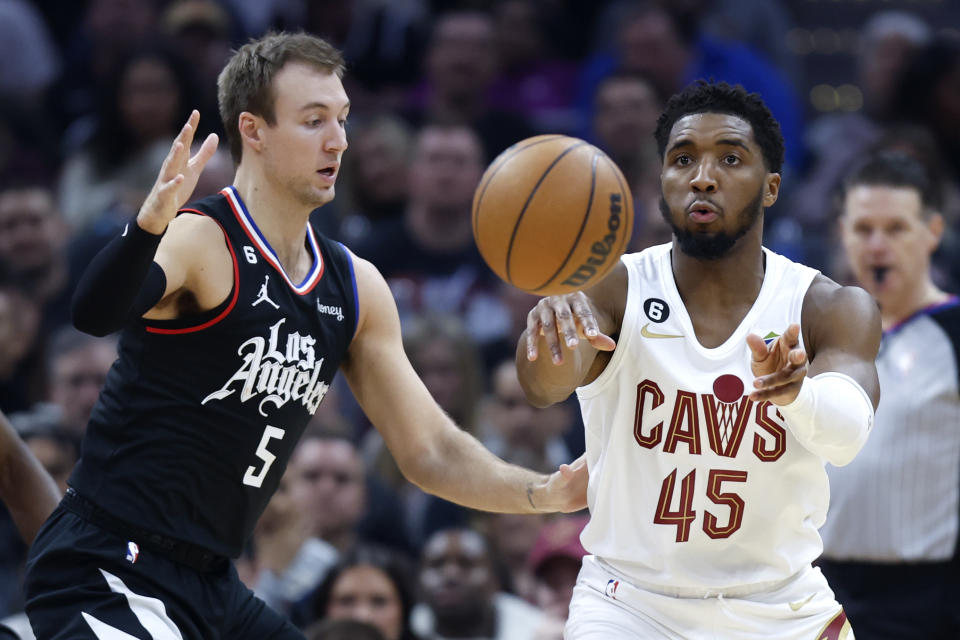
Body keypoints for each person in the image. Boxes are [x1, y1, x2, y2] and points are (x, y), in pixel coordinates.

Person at [23, 32, 585, 638]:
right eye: (314, 120)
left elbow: (430, 451)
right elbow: (96, 312)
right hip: (111, 563)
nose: (339, 140)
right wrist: (148, 226)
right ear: (255, 130)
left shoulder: (355, 285)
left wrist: (543, 494)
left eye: (342, 119)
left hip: (213, 583)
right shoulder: (202, 239)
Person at [516, 81, 882, 638]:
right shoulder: (612, 288)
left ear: (771, 187)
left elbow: (847, 436)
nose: (702, 176)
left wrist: (796, 395)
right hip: (630, 606)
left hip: (780, 608)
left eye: (730, 158)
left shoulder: (828, 306)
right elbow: (542, 387)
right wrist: (553, 327)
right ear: (661, 184)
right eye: (682, 159)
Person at [818, 152, 960, 639]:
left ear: (933, 232)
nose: (877, 246)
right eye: (863, 229)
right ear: (842, 232)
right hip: (816, 593)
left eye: (896, 228)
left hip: (927, 602)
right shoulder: (815, 335)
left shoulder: (954, 331)